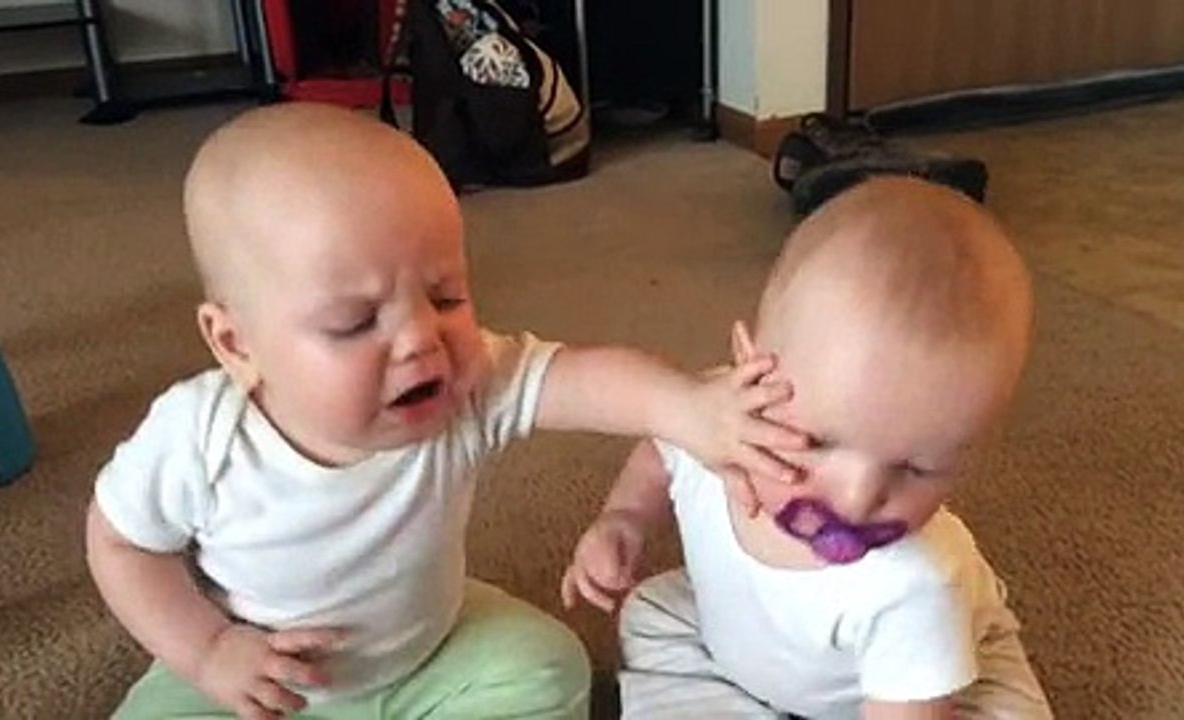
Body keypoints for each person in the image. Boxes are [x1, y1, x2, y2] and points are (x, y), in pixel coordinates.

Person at [86, 103, 805, 720]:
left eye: (445, 296)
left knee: (549, 668)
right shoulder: (200, 435)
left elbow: (581, 378)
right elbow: (121, 546)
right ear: (236, 344)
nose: (419, 339)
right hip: (257, 681)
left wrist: (687, 408)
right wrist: (210, 651)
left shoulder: (465, 385)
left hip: (425, 655)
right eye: (353, 322)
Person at [562, 177, 1054, 719]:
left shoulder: (916, 585)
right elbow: (661, 451)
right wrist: (625, 516)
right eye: (818, 442)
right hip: (759, 647)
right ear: (750, 368)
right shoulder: (711, 424)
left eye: (918, 468)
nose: (858, 498)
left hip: (934, 691)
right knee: (653, 612)